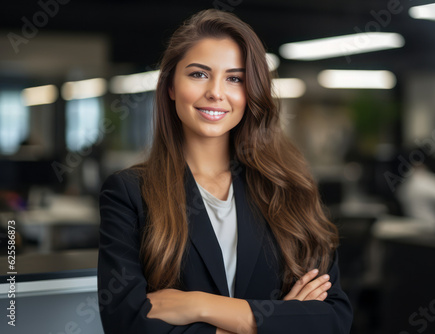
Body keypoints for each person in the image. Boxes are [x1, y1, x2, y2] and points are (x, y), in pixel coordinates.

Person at [97, 9, 352, 334]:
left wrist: (199, 305)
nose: (216, 92)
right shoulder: (129, 193)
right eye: (199, 74)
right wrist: (281, 318)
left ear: (250, 93)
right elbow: (127, 324)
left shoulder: (289, 188)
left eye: (235, 78)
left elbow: (333, 320)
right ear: (171, 86)